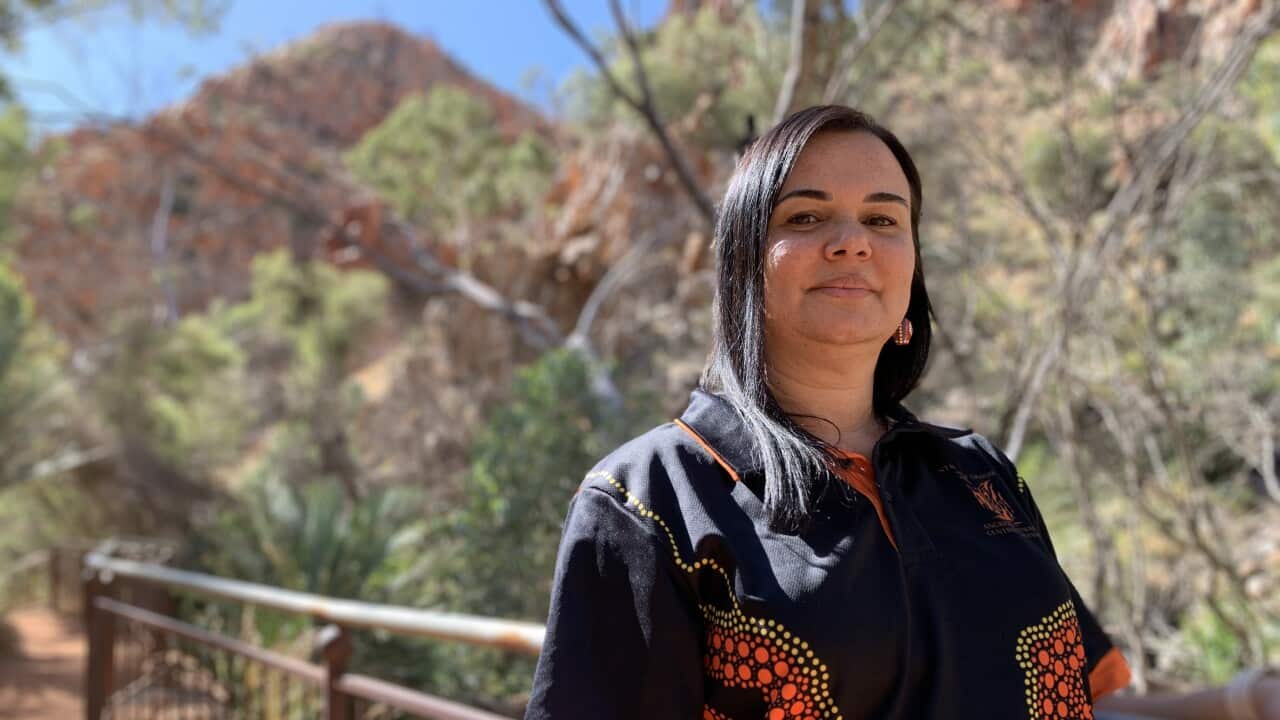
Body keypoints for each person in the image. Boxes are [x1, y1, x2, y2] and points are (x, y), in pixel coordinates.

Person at [523, 105, 1278, 720]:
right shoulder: (650, 501)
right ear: (745, 264)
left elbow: (1089, 703)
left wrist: (1244, 702)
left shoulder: (981, 475)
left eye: (884, 221)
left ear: (911, 275)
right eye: (807, 218)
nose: (853, 243)